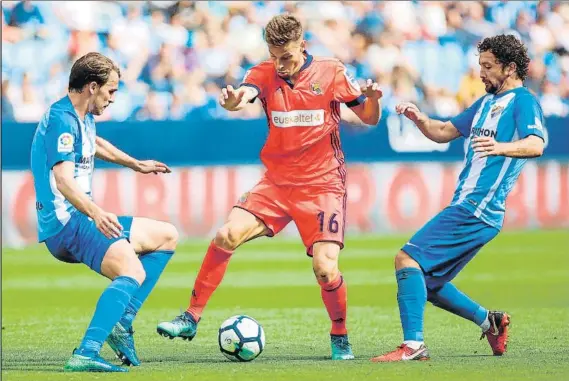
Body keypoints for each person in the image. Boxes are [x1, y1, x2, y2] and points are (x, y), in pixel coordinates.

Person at [157, 14, 383, 360]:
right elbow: (244, 96)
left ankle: (339, 334)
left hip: (322, 184)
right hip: (276, 183)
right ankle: (191, 317)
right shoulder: (262, 74)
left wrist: (373, 99)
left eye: (287, 56)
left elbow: (368, 118)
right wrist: (233, 101)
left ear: (302, 46)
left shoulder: (331, 72)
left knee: (325, 268)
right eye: (274, 55)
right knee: (225, 235)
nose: (281, 64)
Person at [371, 35, 545, 362]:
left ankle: (413, 346)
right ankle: (490, 321)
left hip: (477, 209)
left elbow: (536, 144)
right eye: (480, 65)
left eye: (488, 66)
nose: (481, 73)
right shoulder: (484, 104)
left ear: (509, 68)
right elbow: (443, 132)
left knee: (406, 260)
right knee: (429, 281)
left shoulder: (523, 102)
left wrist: (502, 147)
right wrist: (420, 119)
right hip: (469, 207)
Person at [30, 52, 179, 372]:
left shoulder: (80, 117)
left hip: (80, 217)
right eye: (111, 91)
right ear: (92, 87)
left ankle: (121, 323)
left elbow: (94, 144)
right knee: (132, 272)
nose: (113, 98)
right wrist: (97, 213)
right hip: (67, 222)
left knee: (166, 236)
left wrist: (135, 164)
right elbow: (64, 180)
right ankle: (86, 352)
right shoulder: (62, 119)